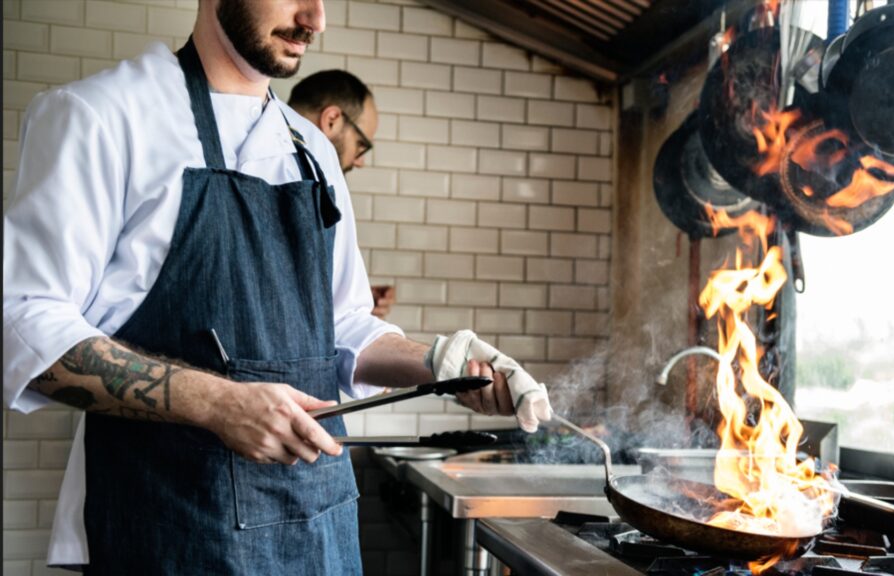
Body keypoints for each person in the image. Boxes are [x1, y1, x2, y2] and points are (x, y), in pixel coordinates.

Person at [1, 1, 552, 574]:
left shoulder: (311, 152)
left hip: (317, 528)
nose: (315, 20)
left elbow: (340, 324)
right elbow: (23, 327)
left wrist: (439, 360)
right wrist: (216, 402)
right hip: (172, 526)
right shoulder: (101, 116)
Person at [288, 69, 395, 318]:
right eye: (361, 145)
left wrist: (350, 302)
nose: (359, 162)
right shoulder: (296, 184)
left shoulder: (319, 186)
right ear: (332, 120)